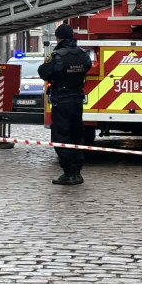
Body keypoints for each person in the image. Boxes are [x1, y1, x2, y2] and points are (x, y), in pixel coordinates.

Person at [38, 23, 93, 186]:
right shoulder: (83, 54)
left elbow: (43, 73)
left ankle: (69, 173)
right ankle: (76, 172)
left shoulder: (57, 55)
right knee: (77, 135)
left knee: (61, 136)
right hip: (77, 99)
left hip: (62, 100)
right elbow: (88, 67)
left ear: (58, 37)